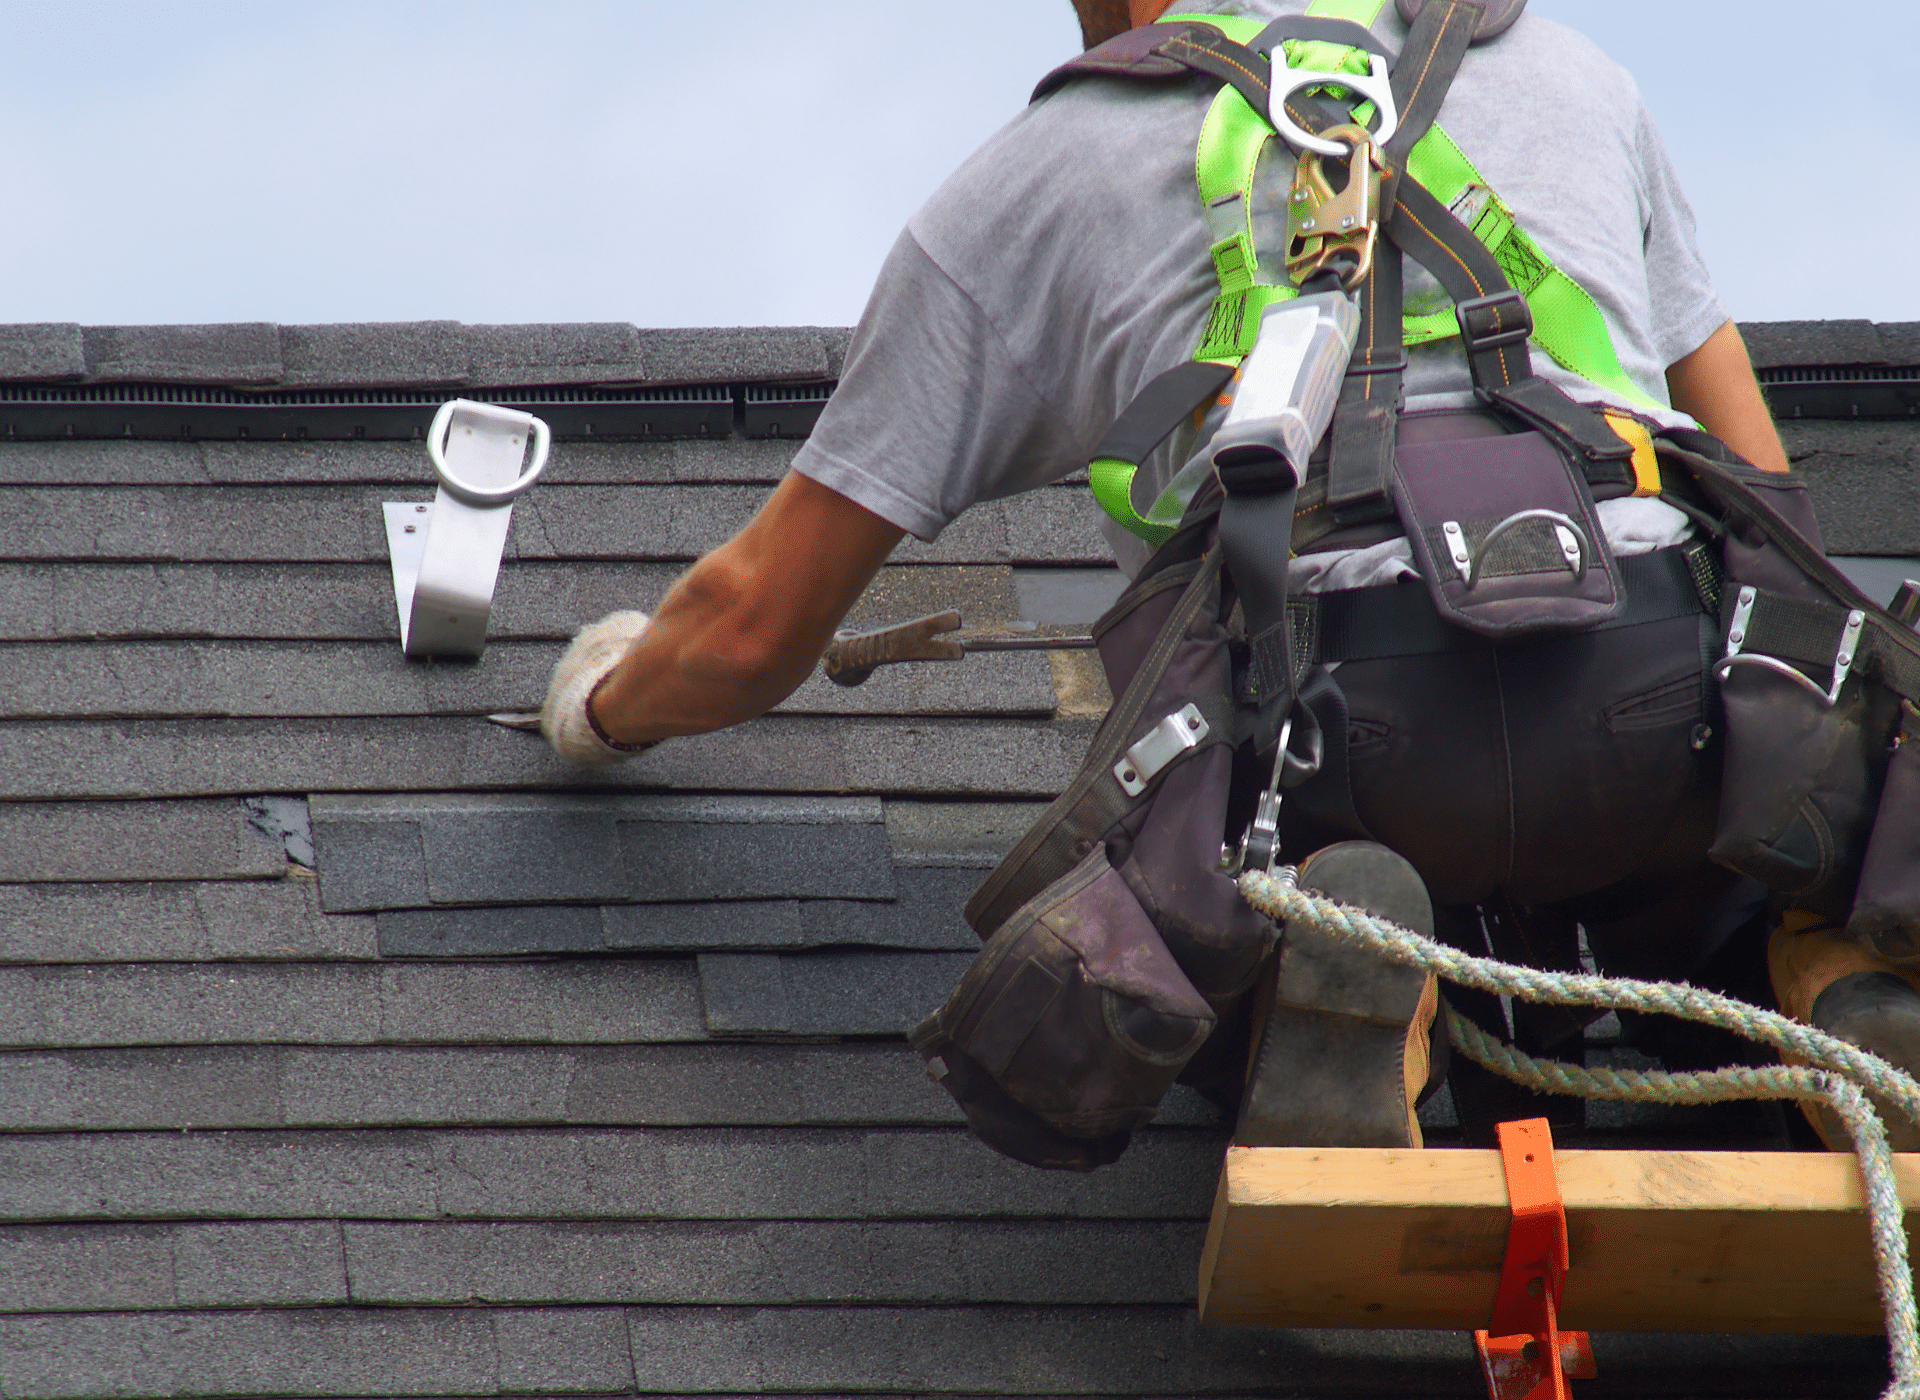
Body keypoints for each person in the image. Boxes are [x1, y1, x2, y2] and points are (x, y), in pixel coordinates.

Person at [540, 0, 1920, 1154]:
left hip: (1342, 738)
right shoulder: (1570, 73)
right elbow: (1775, 517)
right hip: (1662, 701)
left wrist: (601, 707)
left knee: (1225, 879)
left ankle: (1351, 987)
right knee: (1748, 826)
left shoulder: (1046, 170)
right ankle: (1823, 972)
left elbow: (752, 627)